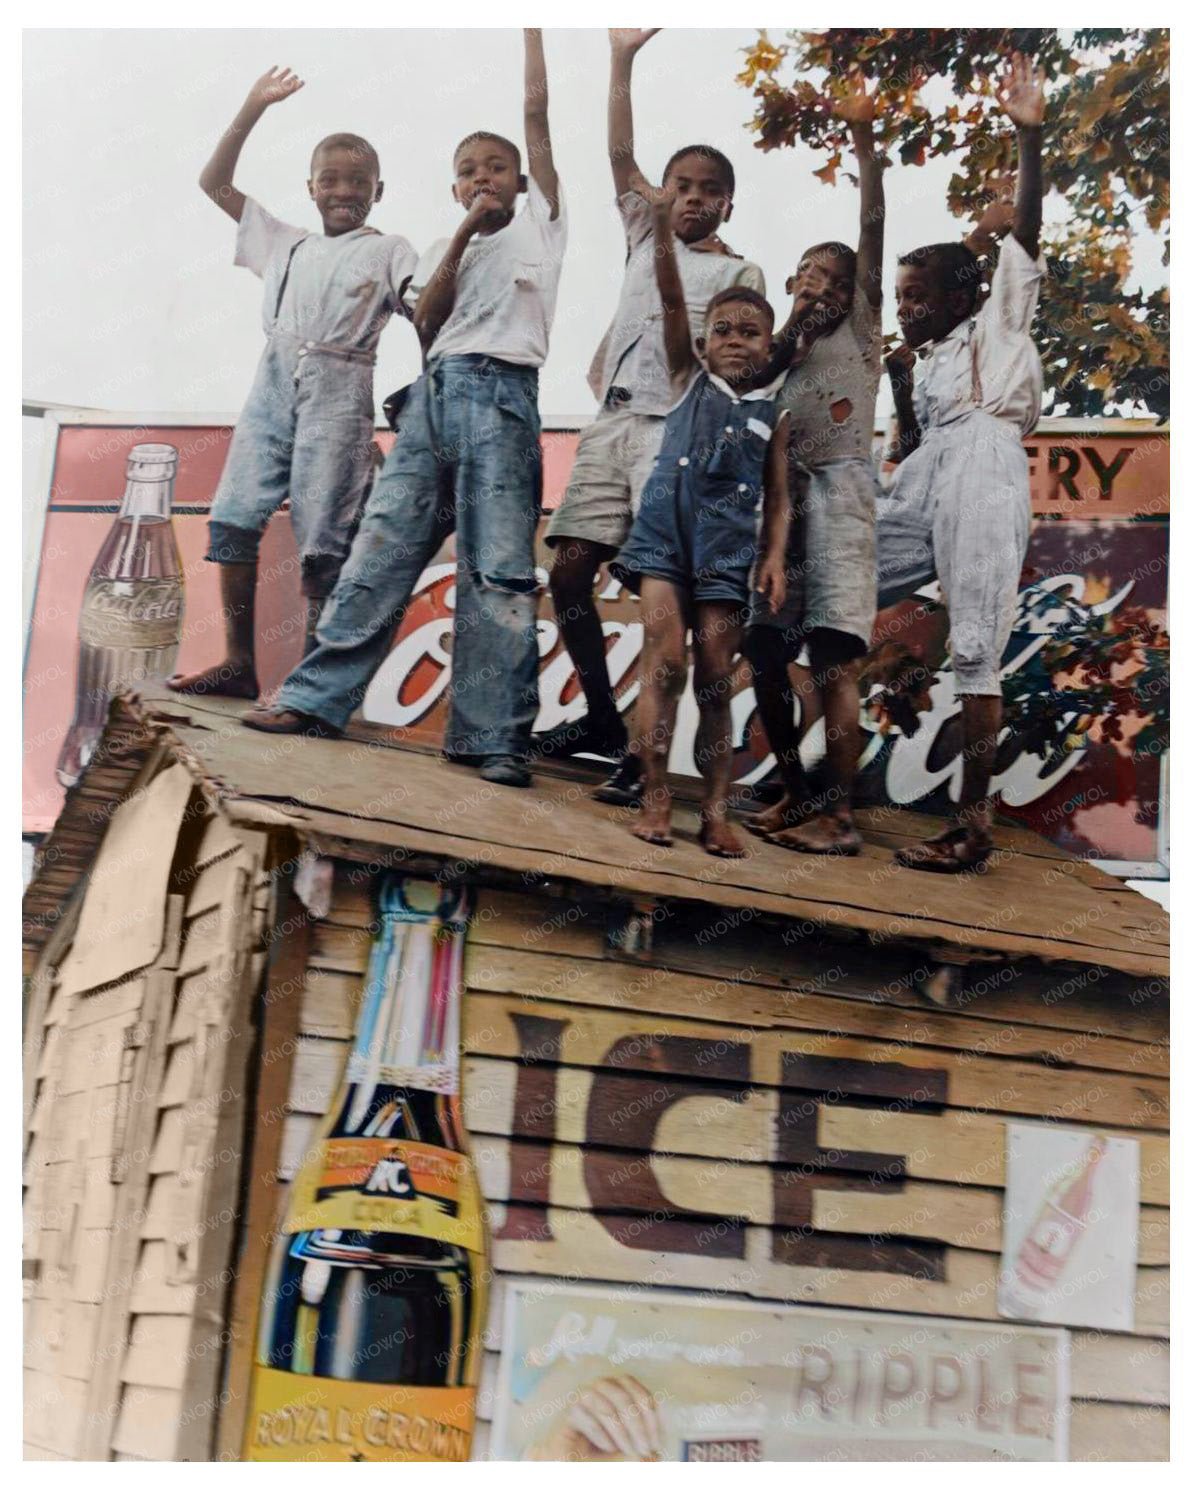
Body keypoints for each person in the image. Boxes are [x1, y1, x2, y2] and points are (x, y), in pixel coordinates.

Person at [242, 30, 566, 789]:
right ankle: (318, 698)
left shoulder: (542, 225)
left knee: (498, 569)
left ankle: (492, 737)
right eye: (465, 172)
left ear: (522, 182)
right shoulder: (451, 245)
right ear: (453, 189)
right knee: (380, 549)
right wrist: (460, 231)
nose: (481, 177)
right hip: (435, 394)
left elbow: (537, 111)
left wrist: (532, 29)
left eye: (495, 168)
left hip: (503, 396)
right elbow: (427, 325)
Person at [538, 27, 765, 807]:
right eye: (681, 185)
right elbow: (615, 152)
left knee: (655, 597)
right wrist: (621, 60)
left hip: (677, 435)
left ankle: (647, 754)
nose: (692, 199)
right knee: (567, 567)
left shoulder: (738, 270)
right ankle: (601, 718)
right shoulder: (644, 231)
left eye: (708, 189)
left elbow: (741, 363)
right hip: (613, 418)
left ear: (728, 202)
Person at [168, 66, 417, 698]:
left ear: (378, 189)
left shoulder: (389, 249)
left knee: (324, 538)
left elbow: (427, 308)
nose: (343, 190)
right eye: (330, 179)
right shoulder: (284, 241)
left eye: (358, 181)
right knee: (232, 517)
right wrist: (253, 103)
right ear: (310, 186)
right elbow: (213, 182)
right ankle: (238, 663)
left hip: (342, 382)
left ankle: (310, 686)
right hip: (274, 377)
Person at [876, 52, 1047, 872]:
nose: (906, 308)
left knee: (975, 644)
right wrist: (902, 390)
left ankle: (971, 827)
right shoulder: (925, 358)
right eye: (900, 297)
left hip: (984, 461)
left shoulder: (999, 326)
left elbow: (1028, 232)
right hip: (930, 468)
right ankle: (820, 785)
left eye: (918, 296)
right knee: (830, 576)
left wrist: (1029, 137)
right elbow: (910, 455)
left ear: (961, 297)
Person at [609, 185, 790, 859]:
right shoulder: (687, 375)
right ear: (705, 341)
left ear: (770, 345)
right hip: (664, 535)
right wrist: (659, 228)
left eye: (750, 333)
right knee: (664, 664)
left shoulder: (775, 410)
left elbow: (779, 497)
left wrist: (773, 558)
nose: (736, 342)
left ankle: (714, 810)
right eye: (725, 332)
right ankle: (655, 795)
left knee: (715, 673)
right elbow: (670, 298)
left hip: (726, 548)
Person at [743, 71, 885, 858]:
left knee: (832, 654)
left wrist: (863, 142)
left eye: (830, 279)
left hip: (840, 492)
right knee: (766, 647)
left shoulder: (860, 331)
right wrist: (787, 324)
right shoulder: (789, 352)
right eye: (805, 273)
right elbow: (750, 378)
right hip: (784, 501)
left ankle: (840, 814)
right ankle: (796, 789)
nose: (817, 286)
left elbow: (871, 225)